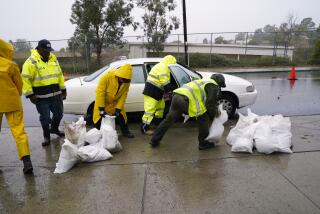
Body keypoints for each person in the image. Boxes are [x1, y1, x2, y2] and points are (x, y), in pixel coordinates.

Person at [150, 74, 226, 150]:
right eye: (220, 86)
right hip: (185, 100)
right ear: (219, 82)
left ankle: (154, 140)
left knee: (168, 120)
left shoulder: (203, 81)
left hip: (176, 96)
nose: (219, 88)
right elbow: (210, 104)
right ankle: (203, 143)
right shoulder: (213, 85)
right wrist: (216, 114)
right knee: (203, 118)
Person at [21, 39, 66, 147]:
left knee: (59, 114)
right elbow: (25, 79)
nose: (48, 52)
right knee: (45, 118)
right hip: (41, 97)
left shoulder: (53, 58)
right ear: (39, 49)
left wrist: (63, 89)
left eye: (49, 50)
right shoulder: (31, 61)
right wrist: (30, 95)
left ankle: (54, 129)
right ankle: (46, 136)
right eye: (45, 50)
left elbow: (59, 75)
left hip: (56, 94)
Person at [0, 38, 33, 174]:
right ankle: (26, 162)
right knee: (19, 131)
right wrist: (16, 94)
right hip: (12, 102)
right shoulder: (11, 65)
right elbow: (19, 85)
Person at [93, 64, 134, 138]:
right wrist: (101, 109)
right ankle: (97, 134)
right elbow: (100, 93)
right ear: (119, 76)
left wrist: (118, 109)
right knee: (98, 119)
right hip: (103, 102)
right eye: (123, 79)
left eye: (126, 80)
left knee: (122, 117)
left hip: (115, 102)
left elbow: (123, 96)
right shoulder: (106, 77)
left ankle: (125, 132)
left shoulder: (126, 82)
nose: (124, 81)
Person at [141, 55, 177, 135]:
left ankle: (158, 125)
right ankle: (144, 129)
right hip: (151, 91)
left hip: (157, 91)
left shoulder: (162, 66)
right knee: (149, 111)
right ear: (170, 62)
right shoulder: (163, 67)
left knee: (160, 108)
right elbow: (165, 83)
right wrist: (174, 89)